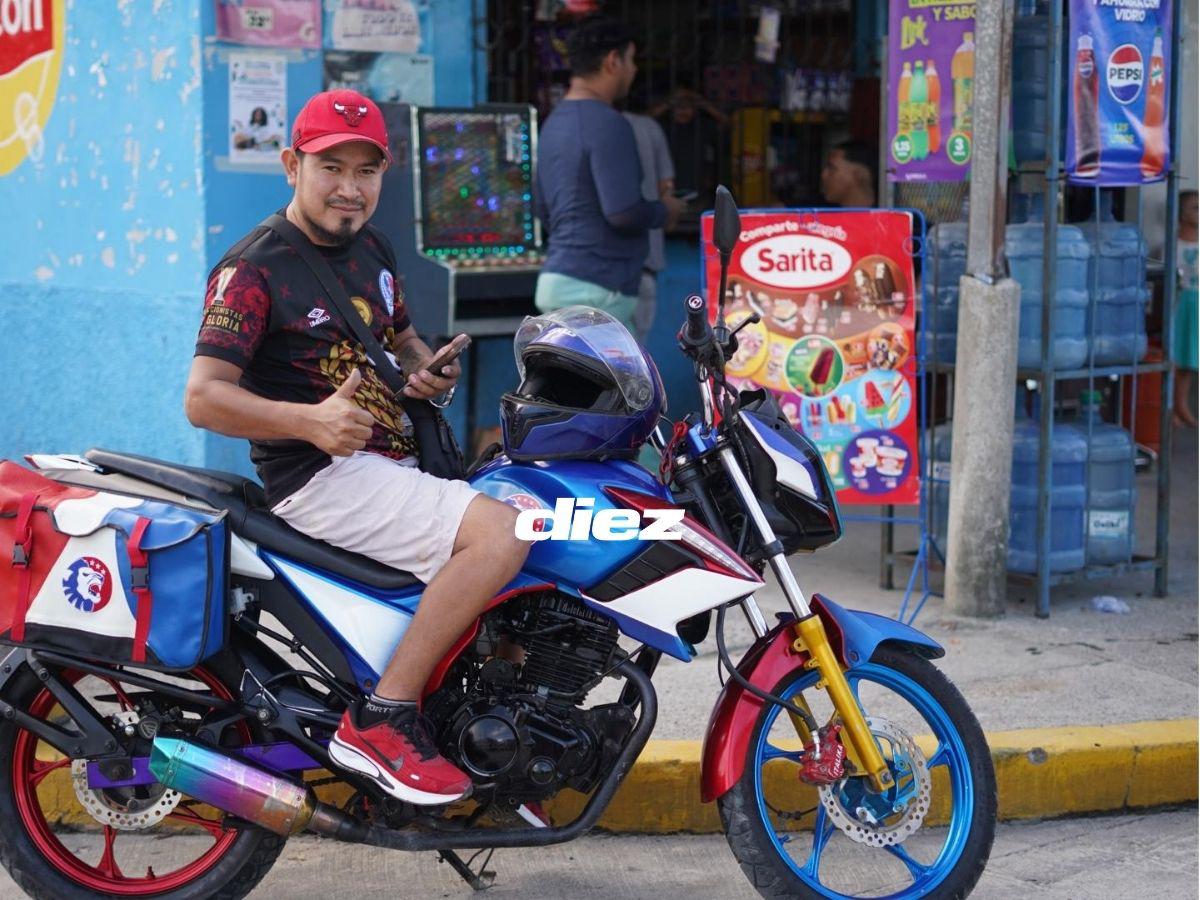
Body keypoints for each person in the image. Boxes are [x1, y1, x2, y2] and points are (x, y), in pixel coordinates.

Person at [185, 89, 530, 806]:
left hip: (386, 459)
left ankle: (504, 737)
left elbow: (397, 335)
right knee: (504, 534)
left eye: (365, 171)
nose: (349, 187)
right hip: (319, 478)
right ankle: (385, 717)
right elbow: (203, 397)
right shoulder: (252, 270)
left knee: (540, 516)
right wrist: (308, 422)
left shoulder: (370, 246)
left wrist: (425, 366)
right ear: (291, 165)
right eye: (330, 167)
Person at [534, 18, 684, 334]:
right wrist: (665, 209)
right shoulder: (609, 123)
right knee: (620, 384)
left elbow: (542, 207)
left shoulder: (553, 124)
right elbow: (623, 212)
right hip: (600, 292)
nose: (634, 70)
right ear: (612, 61)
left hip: (557, 282)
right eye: (631, 60)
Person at [623, 105, 675, 343]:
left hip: (592, 268)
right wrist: (669, 214)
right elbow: (666, 186)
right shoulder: (648, 127)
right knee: (634, 352)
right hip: (644, 259)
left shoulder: (578, 124)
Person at [1175, 189, 1198, 427]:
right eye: (1195, 207)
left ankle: (1183, 404)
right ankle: (1171, 405)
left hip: (1197, 303)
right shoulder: (1174, 245)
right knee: (1175, 355)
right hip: (1181, 302)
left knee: (1190, 358)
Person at [819, 139, 877, 208]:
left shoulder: (886, 215)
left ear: (858, 174)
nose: (823, 175)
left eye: (832, 168)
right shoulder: (820, 216)